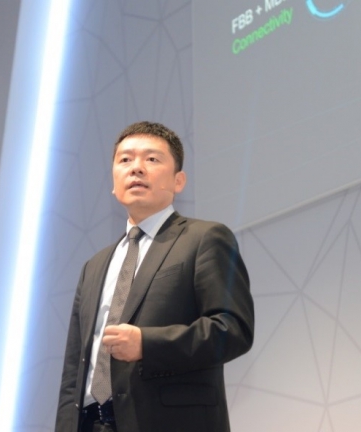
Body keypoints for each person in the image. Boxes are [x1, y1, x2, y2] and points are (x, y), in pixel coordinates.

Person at [55, 121, 254, 432]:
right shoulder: (93, 266)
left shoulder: (205, 238)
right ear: (114, 182)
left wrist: (147, 344)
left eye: (151, 159)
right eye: (125, 160)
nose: (136, 168)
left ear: (178, 180)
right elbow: (73, 370)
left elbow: (232, 329)